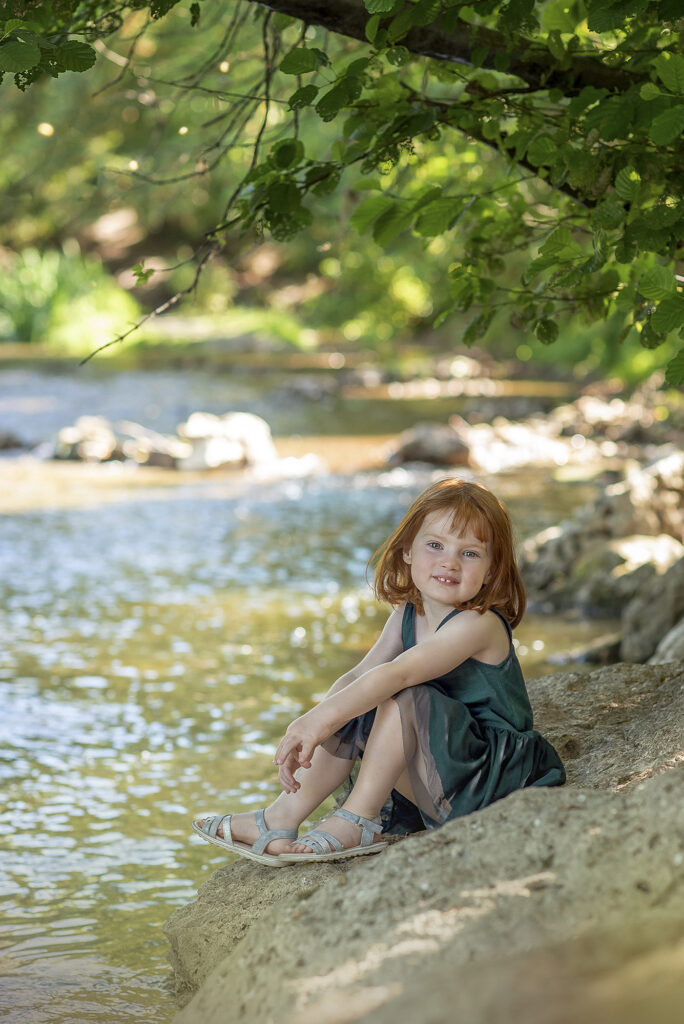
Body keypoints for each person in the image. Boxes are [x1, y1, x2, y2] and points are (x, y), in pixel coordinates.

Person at [193, 478, 565, 866]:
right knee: (356, 694)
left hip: (488, 778)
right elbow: (358, 677)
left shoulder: (478, 623)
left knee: (402, 692)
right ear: (407, 550)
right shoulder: (408, 613)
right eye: (435, 545)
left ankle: (357, 819)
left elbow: (398, 675)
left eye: (470, 553)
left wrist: (320, 720)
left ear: (491, 570)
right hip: (435, 774)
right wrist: (309, 726)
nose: (449, 562)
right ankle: (279, 818)